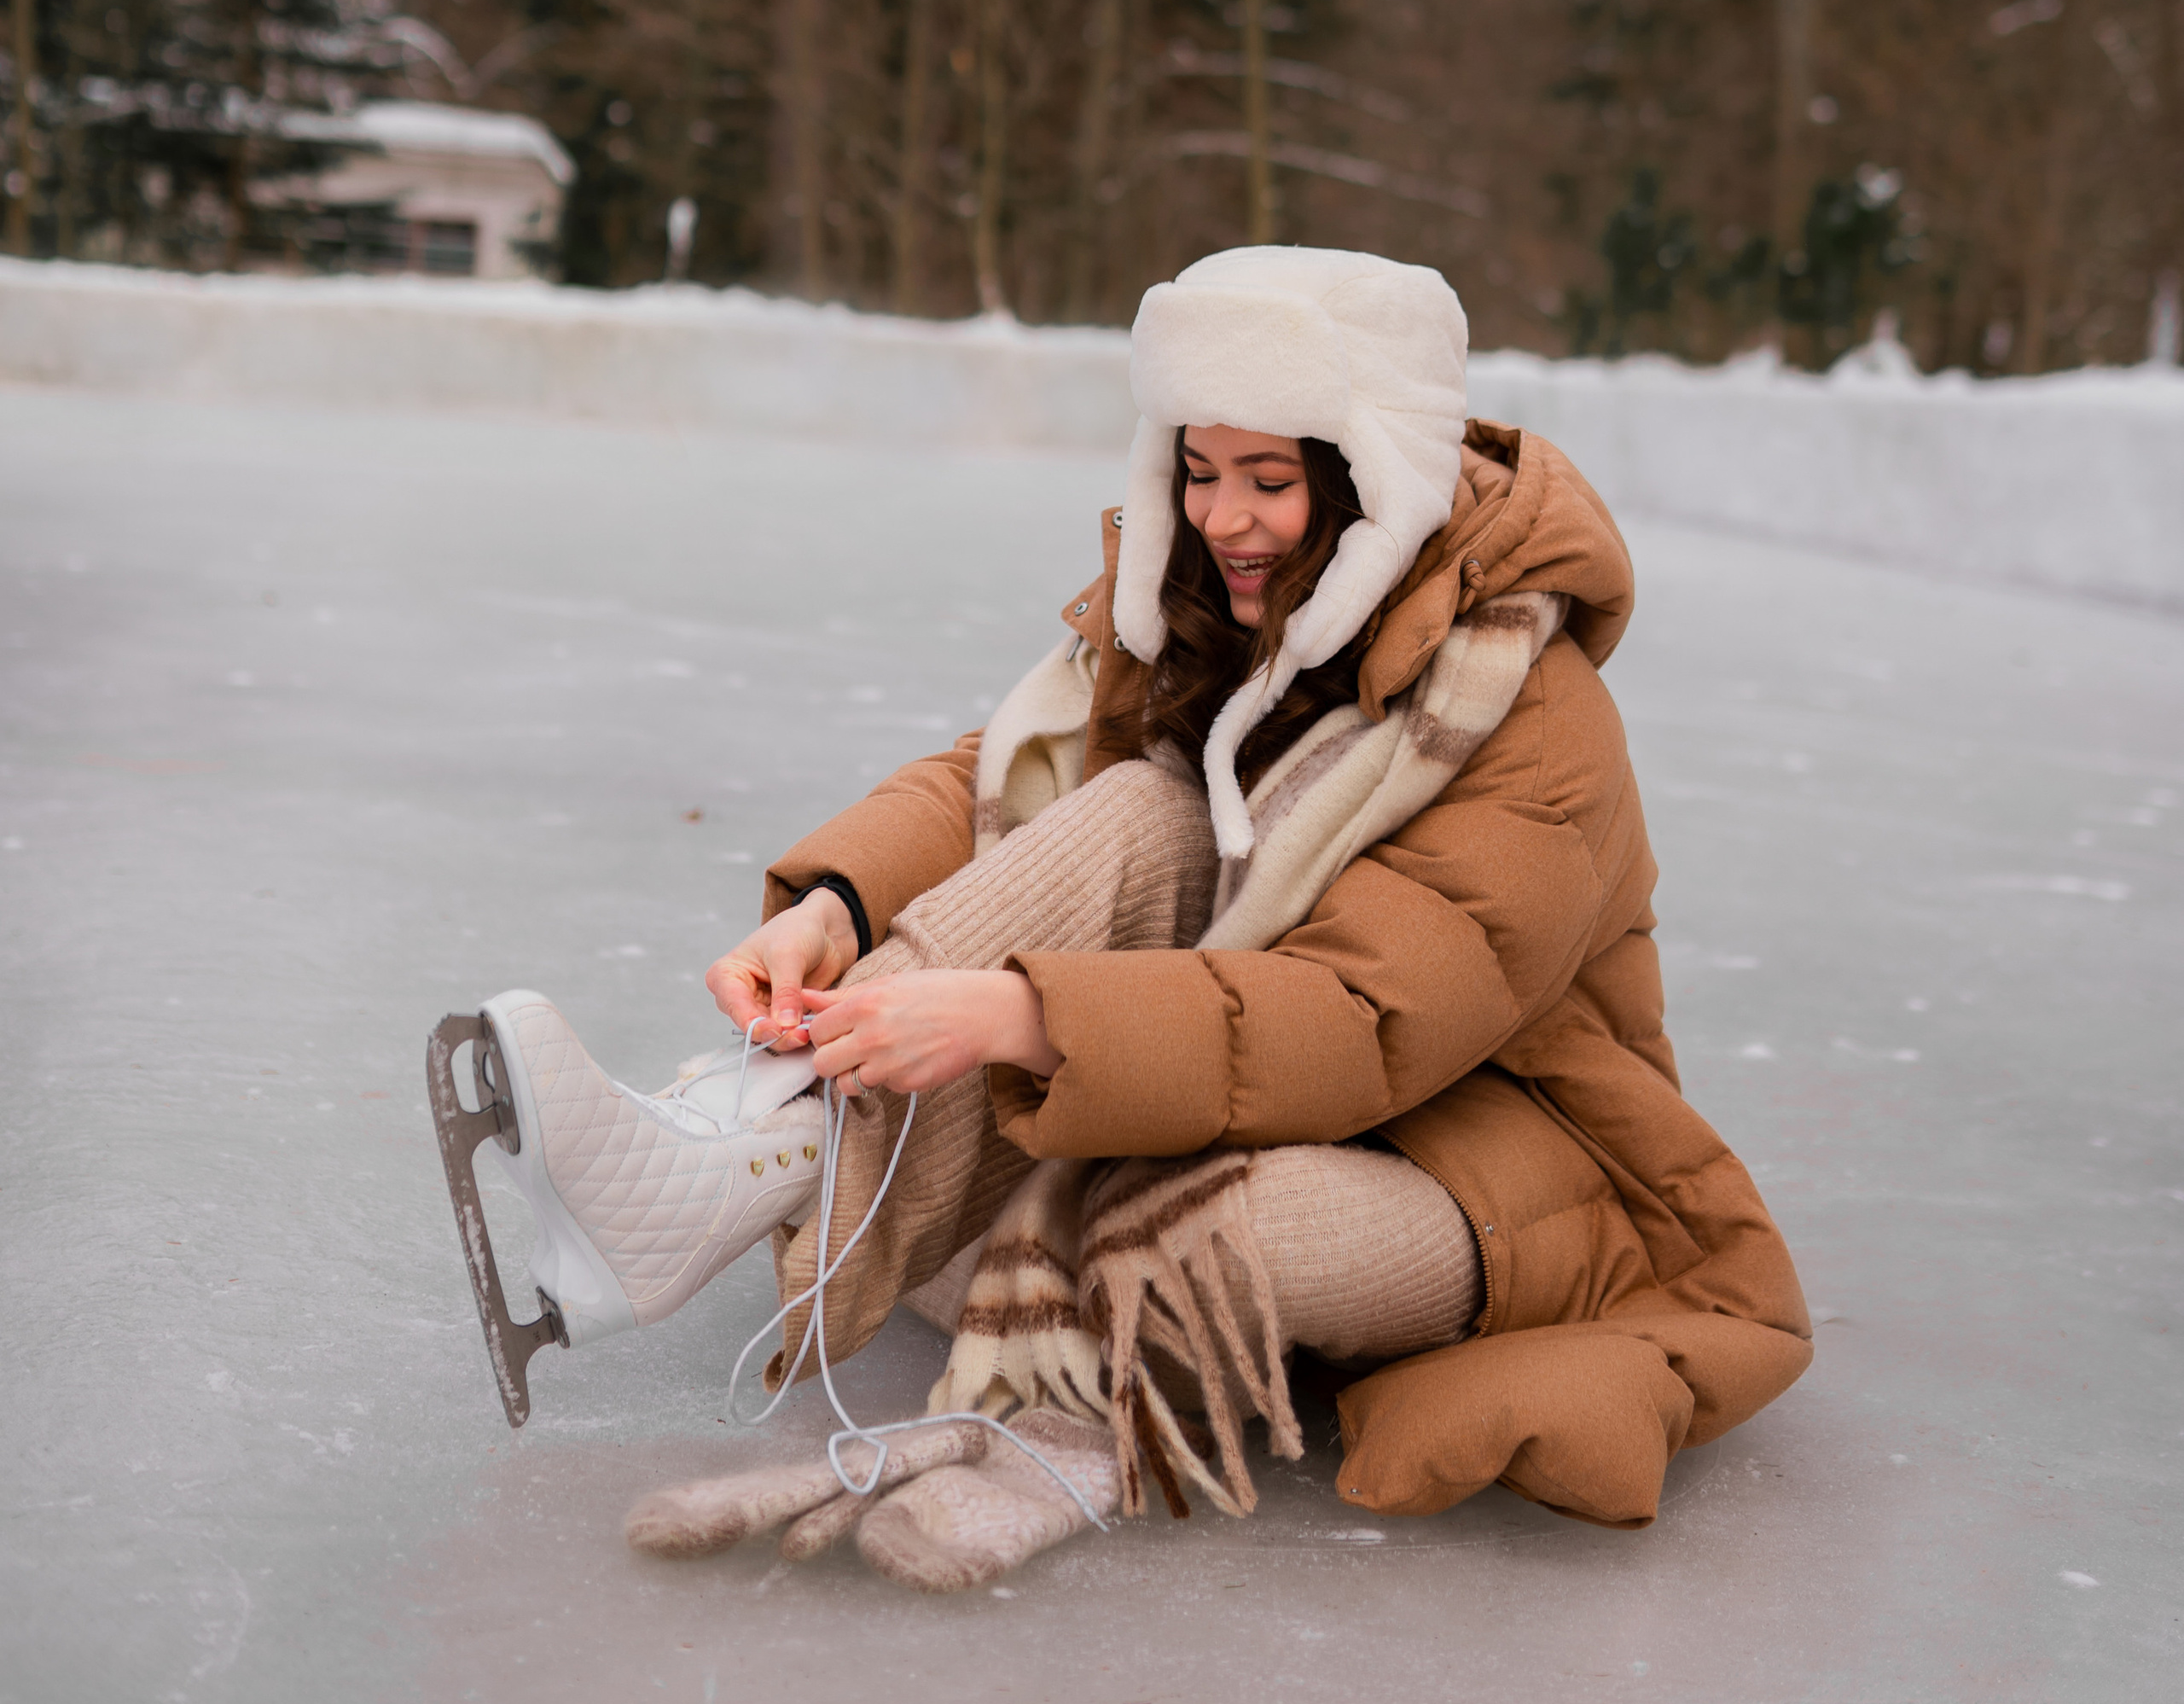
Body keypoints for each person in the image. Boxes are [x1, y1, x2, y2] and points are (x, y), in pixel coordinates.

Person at [432, 245, 1810, 1587]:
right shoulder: (1223, 613)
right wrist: (842, 905)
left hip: (1494, 1172)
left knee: (1180, 1219)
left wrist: (1031, 1018)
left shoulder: (1534, 716)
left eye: (1271, 480)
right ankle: (742, 1145)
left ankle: (1064, 1424)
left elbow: (1365, 1021)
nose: (1224, 519)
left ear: (1371, 481)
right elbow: (1005, 780)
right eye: (1198, 473)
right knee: (1149, 808)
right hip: (1233, 1059)